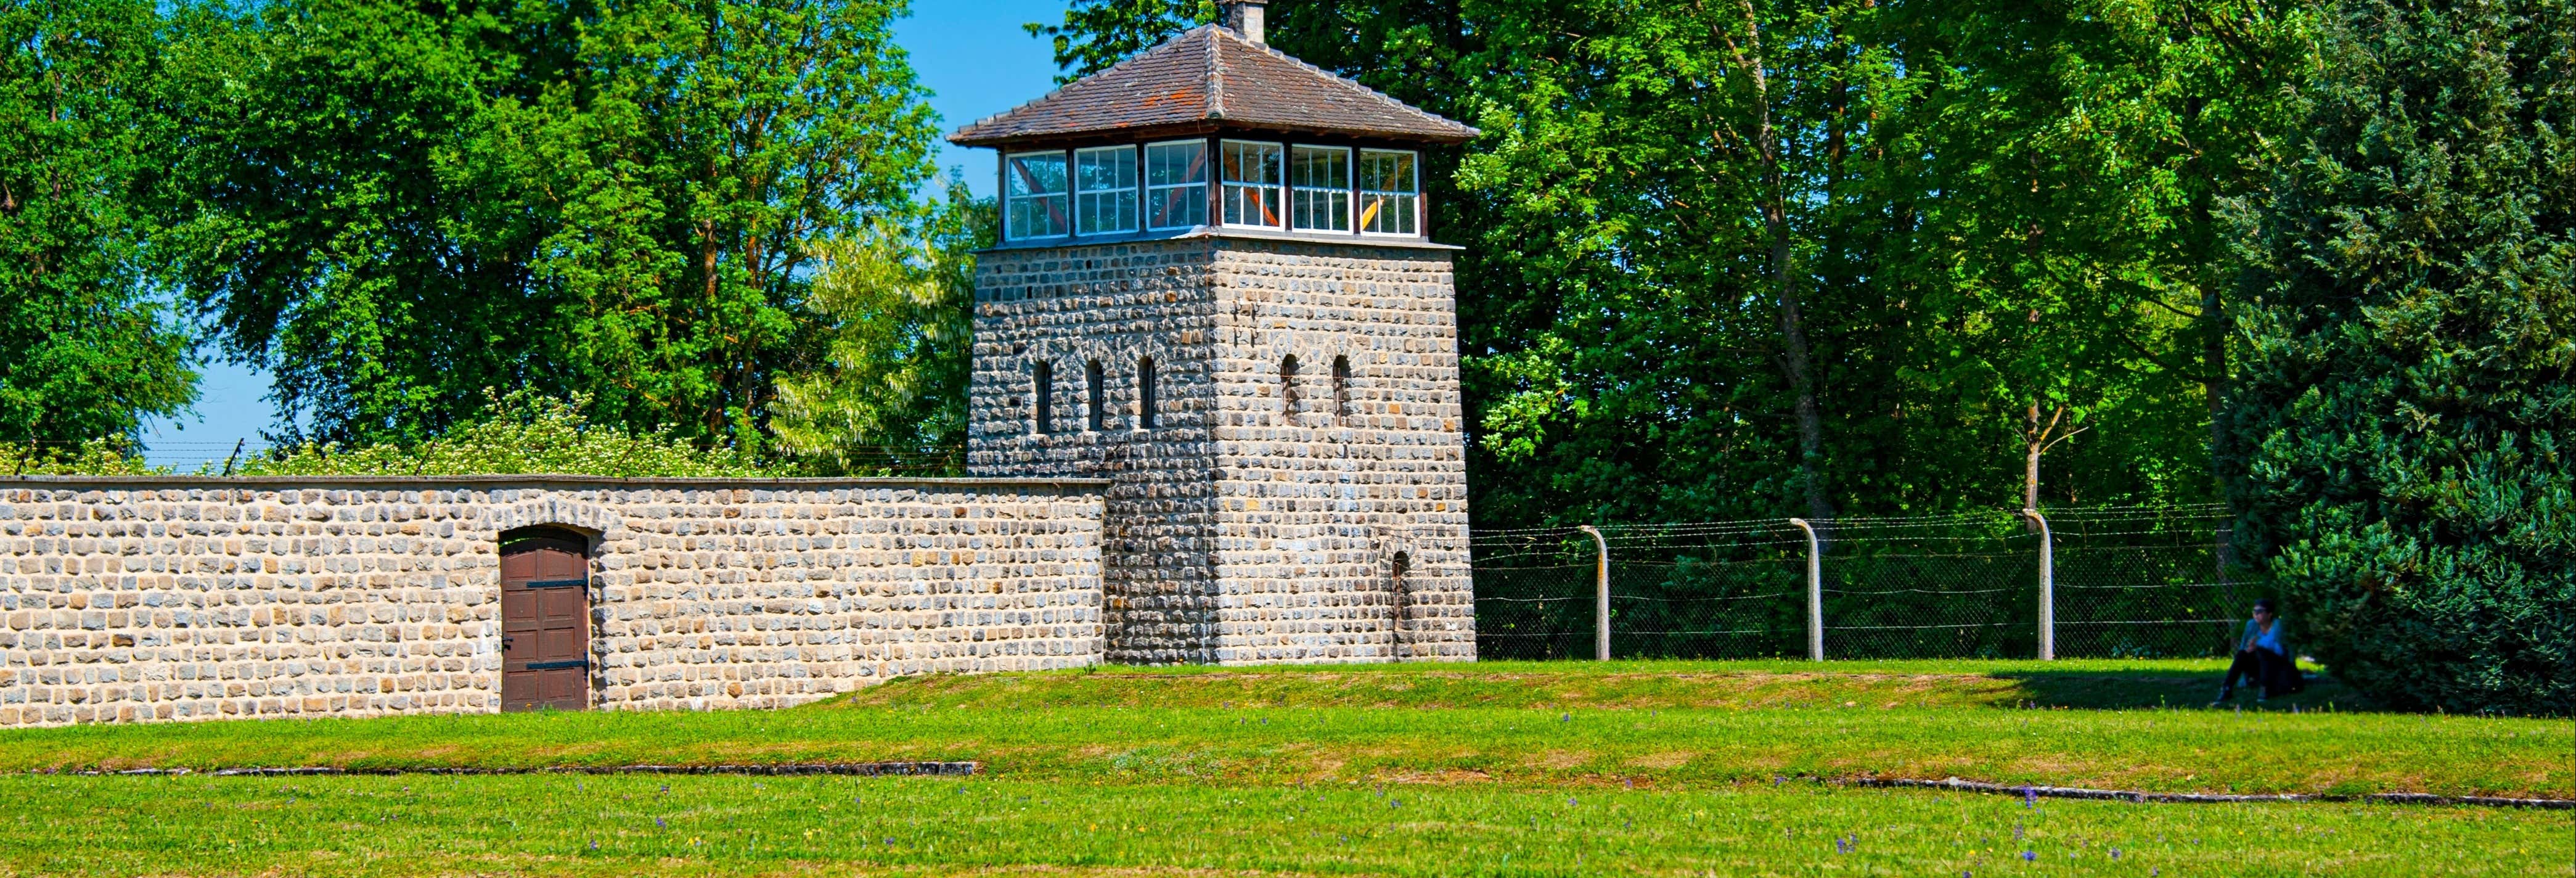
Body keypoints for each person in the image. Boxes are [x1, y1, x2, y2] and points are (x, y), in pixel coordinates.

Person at [2214, 598, 2302, 705]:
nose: (2256, 615)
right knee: (2242, 654)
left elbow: (2284, 651)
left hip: (2278, 667)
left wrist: (2258, 647)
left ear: (2269, 614)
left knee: (2261, 652)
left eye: (2260, 612)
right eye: (2254, 612)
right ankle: (2226, 689)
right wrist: (2249, 650)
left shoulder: (2278, 626)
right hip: (2260, 666)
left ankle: (2265, 689)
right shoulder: (2251, 625)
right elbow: (2244, 647)